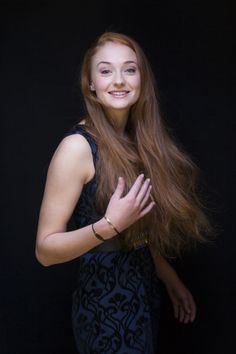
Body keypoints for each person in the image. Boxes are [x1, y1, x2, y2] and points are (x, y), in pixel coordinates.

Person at [35, 31, 213, 353]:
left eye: (129, 69)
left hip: (143, 298)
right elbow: (45, 251)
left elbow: (134, 231)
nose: (119, 80)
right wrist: (108, 225)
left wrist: (168, 277)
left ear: (142, 80)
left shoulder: (136, 142)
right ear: (90, 83)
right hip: (104, 310)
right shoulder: (77, 147)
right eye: (105, 71)